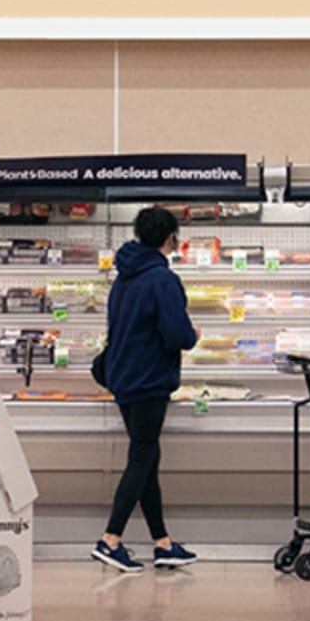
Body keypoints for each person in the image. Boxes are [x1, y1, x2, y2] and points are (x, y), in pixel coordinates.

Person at [94, 206, 200, 573]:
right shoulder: (162, 280)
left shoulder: (124, 276)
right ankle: (110, 540)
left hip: (123, 377)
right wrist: (194, 334)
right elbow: (178, 336)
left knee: (148, 459)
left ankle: (163, 543)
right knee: (141, 458)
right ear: (171, 238)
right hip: (149, 380)